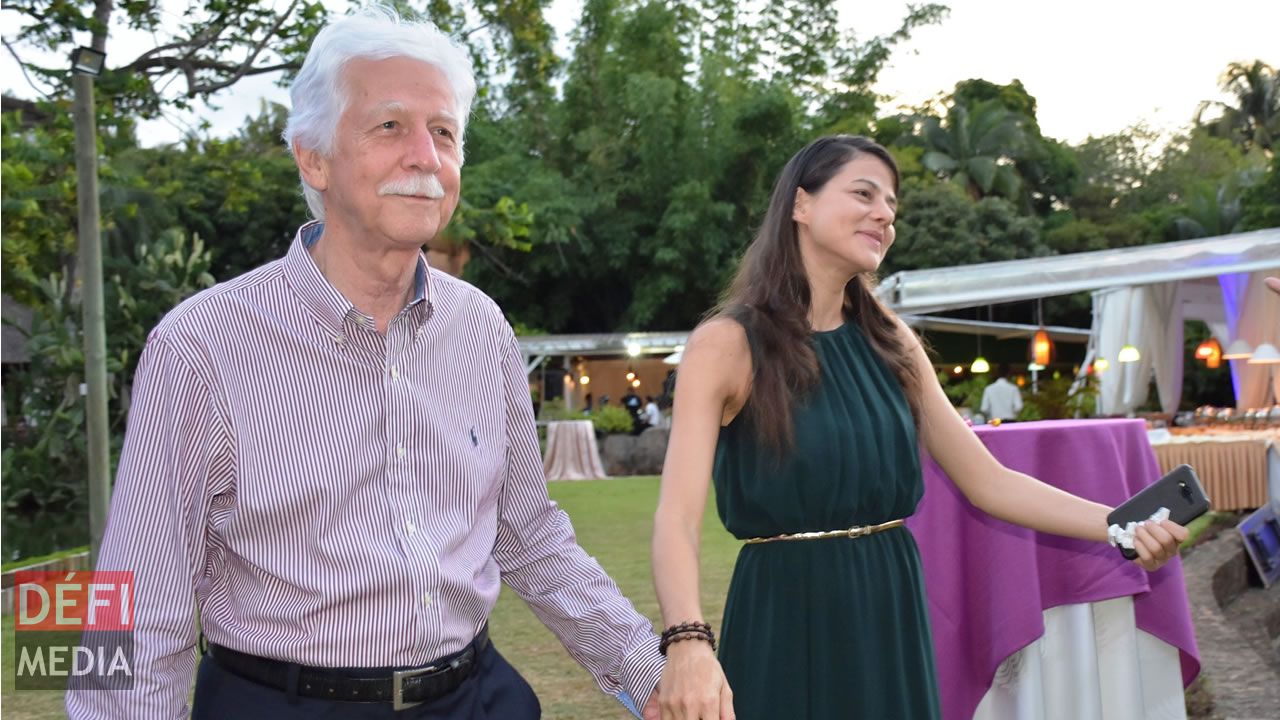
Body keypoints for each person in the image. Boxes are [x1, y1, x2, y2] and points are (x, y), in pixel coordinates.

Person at [66, 7, 662, 719]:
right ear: (312, 157)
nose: (424, 156)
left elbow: (530, 535)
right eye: (390, 126)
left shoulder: (481, 330)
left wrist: (648, 670)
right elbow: (133, 599)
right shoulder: (200, 347)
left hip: (477, 695)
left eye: (443, 132)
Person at [649, 135, 1187, 720]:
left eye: (891, 205)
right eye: (863, 193)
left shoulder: (891, 341)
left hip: (892, 607)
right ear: (800, 205)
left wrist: (1118, 525)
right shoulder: (725, 344)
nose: (884, 213)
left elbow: (989, 481)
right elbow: (677, 518)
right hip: (786, 613)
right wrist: (687, 642)